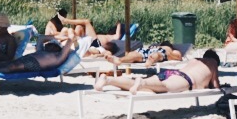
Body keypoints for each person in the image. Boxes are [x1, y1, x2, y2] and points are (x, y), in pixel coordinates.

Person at [92, 50, 222, 94]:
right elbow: (216, 86)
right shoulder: (213, 63)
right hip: (185, 79)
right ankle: (142, 82)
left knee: (142, 85)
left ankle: (108, 80)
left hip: (172, 73)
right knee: (164, 86)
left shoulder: (195, 60)